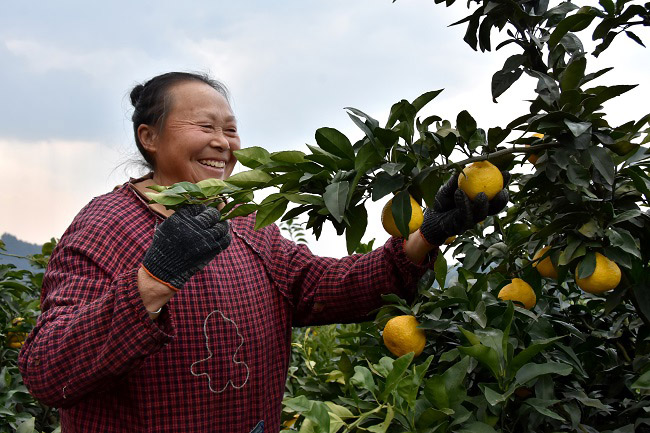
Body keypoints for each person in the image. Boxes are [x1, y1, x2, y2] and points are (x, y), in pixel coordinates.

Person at [18, 72, 508, 433]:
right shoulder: (103, 228)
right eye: (204, 126)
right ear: (149, 137)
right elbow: (46, 372)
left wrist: (423, 239)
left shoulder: (245, 225)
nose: (222, 143)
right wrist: (153, 280)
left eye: (230, 130)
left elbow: (325, 288)